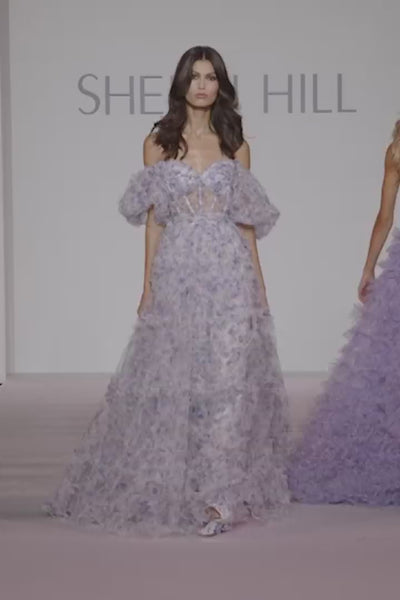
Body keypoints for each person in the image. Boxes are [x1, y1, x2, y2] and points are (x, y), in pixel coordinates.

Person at [44, 46, 290, 536]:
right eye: (194, 76)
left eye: (211, 77)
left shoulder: (235, 144)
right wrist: (148, 284)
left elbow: (245, 223)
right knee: (177, 380)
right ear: (182, 83)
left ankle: (218, 498)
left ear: (220, 85)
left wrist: (259, 285)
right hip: (178, 271)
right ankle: (174, 485)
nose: (202, 85)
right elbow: (155, 220)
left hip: (229, 273)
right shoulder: (158, 143)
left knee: (228, 382)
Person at [289, 121, 400, 505]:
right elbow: (384, 217)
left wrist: (369, 268)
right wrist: (368, 268)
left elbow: (385, 217)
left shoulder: (397, 150)